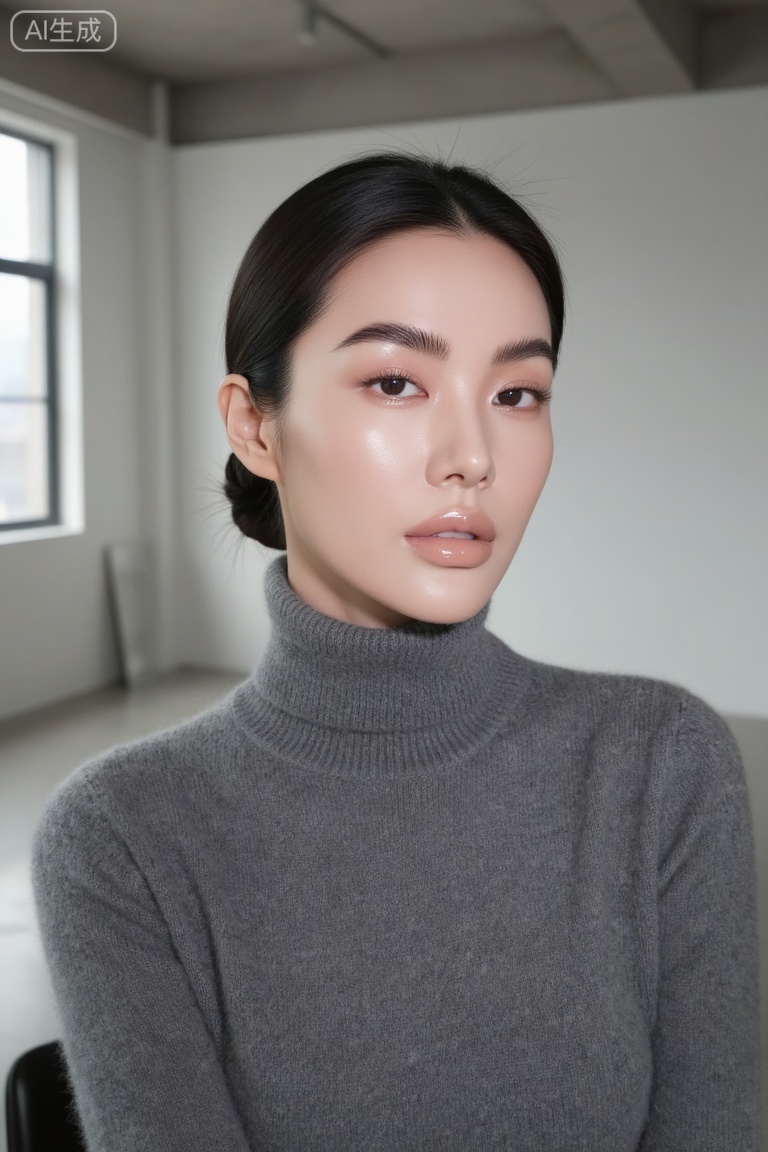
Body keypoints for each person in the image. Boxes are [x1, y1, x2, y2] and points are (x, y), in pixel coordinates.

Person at [31, 151, 760, 1151]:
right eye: (395, 381)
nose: (473, 455)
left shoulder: (662, 763)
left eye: (517, 393)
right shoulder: (122, 840)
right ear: (255, 426)